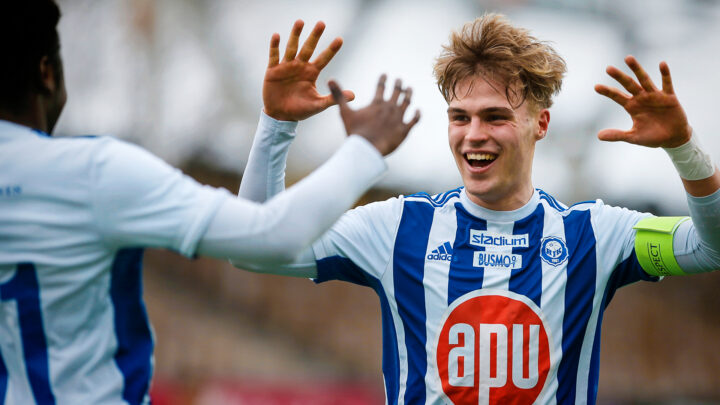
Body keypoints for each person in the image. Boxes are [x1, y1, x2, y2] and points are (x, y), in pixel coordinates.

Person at [233, 13, 720, 405]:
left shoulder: (593, 235)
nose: (474, 134)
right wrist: (276, 124)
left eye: (495, 117)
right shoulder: (398, 226)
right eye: (459, 117)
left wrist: (685, 149)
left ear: (540, 123)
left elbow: (709, 248)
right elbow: (253, 247)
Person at [0, 1, 420, 403]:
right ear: (47, 73)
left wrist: (276, 127)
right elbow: (269, 238)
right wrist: (364, 149)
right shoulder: (91, 171)